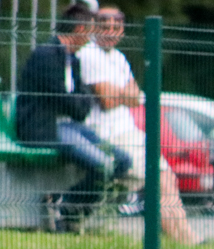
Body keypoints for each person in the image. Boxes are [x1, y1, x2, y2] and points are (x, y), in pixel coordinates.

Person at [77, 5, 201, 245]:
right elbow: (107, 102)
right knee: (159, 180)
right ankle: (182, 238)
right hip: (107, 135)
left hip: (129, 133)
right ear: (94, 28)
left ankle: (181, 235)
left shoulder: (118, 58)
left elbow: (135, 98)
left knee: (167, 179)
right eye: (105, 26)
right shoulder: (89, 55)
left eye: (116, 27)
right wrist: (122, 94)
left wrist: (119, 94)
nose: (111, 32)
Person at [15, 3, 131, 231]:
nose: (91, 38)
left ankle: (67, 206)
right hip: (43, 128)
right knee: (102, 166)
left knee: (122, 161)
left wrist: (76, 102)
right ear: (79, 29)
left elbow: (80, 105)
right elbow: (65, 100)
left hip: (70, 126)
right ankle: (67, 213)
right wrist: (76, 102)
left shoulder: (73, 60)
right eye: (90, 32)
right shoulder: (46, 56)